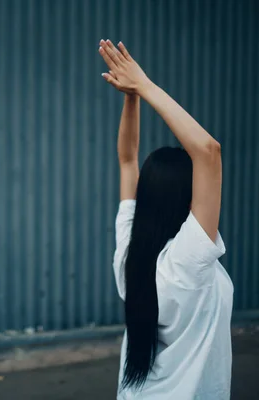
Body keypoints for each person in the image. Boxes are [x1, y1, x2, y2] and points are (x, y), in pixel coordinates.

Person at [98, 40, 234, 399]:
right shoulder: (189, 260)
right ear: (186, 197)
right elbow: (208, 151)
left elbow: (128, 159)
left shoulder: (130, 250)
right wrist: (142, 85)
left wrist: (132, 96)